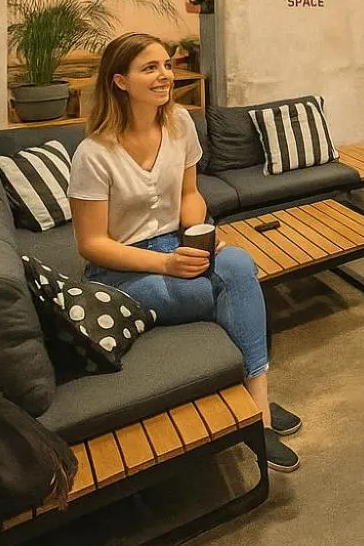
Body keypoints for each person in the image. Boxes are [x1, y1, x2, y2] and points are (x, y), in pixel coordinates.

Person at [67, 33, 303, 473]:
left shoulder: (179, 125)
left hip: (177, 246)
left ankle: (257, 403)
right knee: (232, 288)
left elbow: (190, 194)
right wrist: (165, 263)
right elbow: (91, 243)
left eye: (166, 66)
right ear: (120, 81)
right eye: (149, 68)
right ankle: (260, 412)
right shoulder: (94, 153)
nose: (164, 76)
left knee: (238, 263)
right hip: (121, 270)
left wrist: (203, 235)